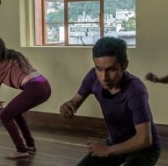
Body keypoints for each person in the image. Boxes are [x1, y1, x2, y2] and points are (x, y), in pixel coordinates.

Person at [59, 37, 161, 166]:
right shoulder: (92, 76)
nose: (103, 77)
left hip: (143, 149)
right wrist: (66, 107)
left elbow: (144, 139)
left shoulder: (135, 90)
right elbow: (74, 102)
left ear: (124, 65)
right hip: (114, 143)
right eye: (99, 69)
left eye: (111, 70)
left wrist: (108, 150)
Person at [0, 34, 51, 159]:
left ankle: (21, 149)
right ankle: (30, 145)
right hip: (44, 85)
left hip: (34, 88)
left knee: (4, 116)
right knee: (15, 113)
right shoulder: (14, 55)